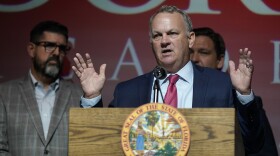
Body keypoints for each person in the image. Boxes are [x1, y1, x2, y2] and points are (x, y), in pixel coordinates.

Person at [72, 5, 264, 154]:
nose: (164, 41)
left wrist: (244, 94)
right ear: (151, 43)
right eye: (157, 35)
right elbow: (100, 145)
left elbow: (252, 144)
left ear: (190, 39)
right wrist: (92, 97)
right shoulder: (128, 92)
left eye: (172, 33)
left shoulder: (221, 85)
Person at [0, 21, 103, 156]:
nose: (56, 52)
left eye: (62, 48)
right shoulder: (4, 93)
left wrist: (92, 96)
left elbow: (94, 143)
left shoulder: (79, 94)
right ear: (31, 49)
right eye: (49, 46)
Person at [190, 27, 278, 156]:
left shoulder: (241, 103)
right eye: (189, 52)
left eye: (203, 52)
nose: (194, 58)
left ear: (220, 61)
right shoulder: (170, 95)